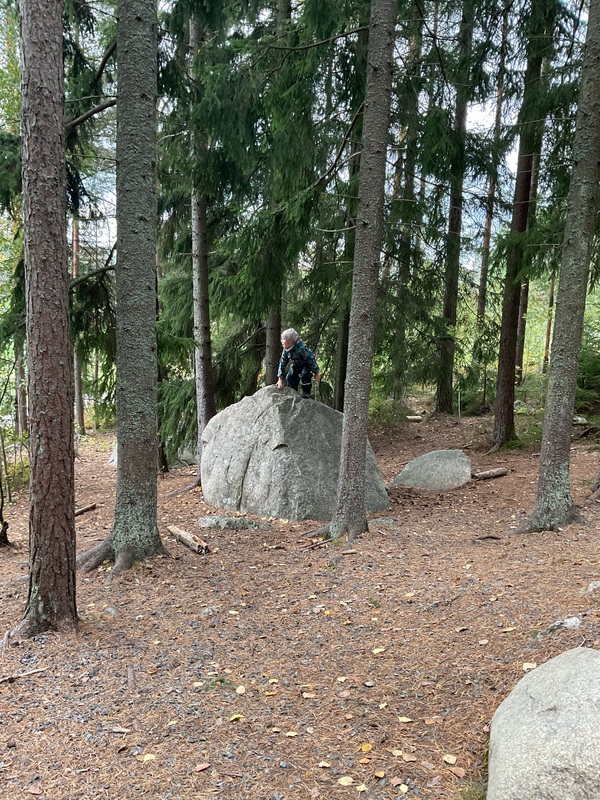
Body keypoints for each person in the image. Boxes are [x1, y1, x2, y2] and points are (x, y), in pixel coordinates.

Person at [276, 328, 322, 398]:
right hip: (295, 364)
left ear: (292, 343)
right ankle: (293, 392)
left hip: (305, 364)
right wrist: (280, 378)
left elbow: (311, 359)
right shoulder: (286, 349)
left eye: (288, 346)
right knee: (290, 377)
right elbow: (283, 362)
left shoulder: (301, 348)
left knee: (305, 374)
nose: (286, 349)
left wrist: (316, 372)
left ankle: (306, 394)